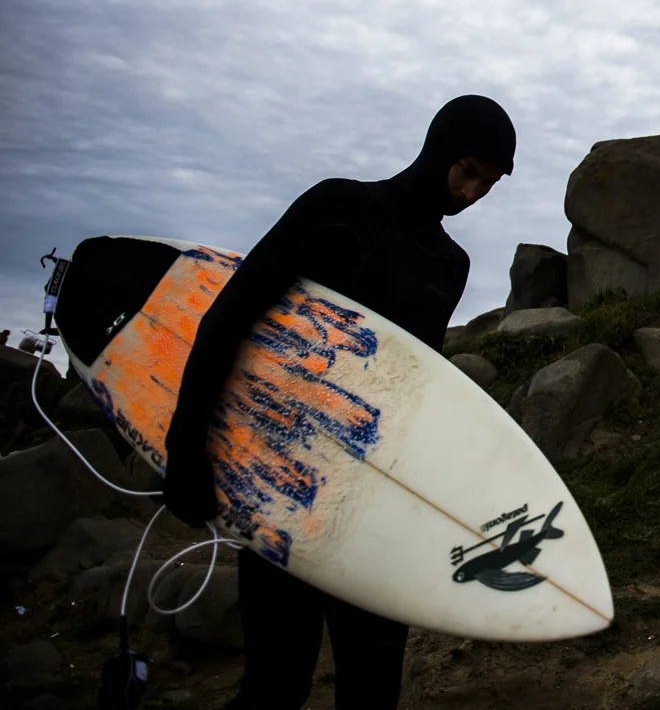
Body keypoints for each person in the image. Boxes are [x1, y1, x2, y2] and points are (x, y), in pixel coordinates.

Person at [162, 95, 516, 710]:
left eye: (488, 183)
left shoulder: (448, 264)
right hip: (284, 485)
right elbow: (230, 318)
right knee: (274, 687)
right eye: (468, 171)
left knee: (373, 690)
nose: (473, 193)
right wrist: (186, 445)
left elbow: (411, 387)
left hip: (372, 502)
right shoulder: (341, 207)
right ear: (438, 151)